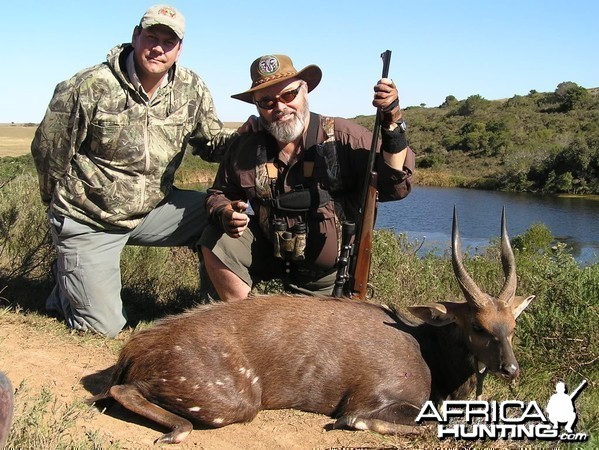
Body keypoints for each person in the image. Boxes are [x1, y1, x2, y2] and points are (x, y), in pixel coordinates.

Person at [31, 5, 248, 338]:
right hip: (92, 218)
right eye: (151, 37)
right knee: (102, 331)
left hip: (155, 210)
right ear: (136, 36)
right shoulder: (89, 85)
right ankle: (67, 290)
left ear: (180, 48)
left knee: (221, 215)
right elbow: (49, 150)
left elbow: (212, 145)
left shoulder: (191, 88)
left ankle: (218, 315)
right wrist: (58, 210)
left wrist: (252, 136)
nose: (158, 48)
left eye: (168, 41)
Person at [200, 54, 415, 301]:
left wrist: (393, 121)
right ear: (257, 107)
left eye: (288, 95)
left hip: (328, 278)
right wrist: (225, 212)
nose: (279, 108)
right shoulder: (246, 146)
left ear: (305, 91)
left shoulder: (345, 137)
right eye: (267, 102)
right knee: (215, 237)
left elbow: (395, 186)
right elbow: (219, 194)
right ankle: (241, 324)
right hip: (272, 256)